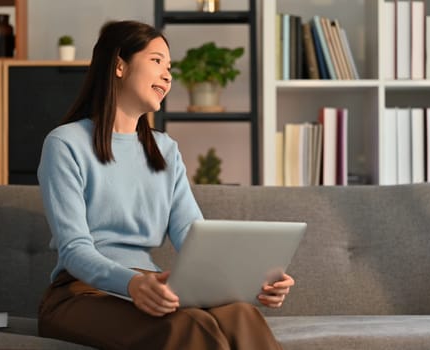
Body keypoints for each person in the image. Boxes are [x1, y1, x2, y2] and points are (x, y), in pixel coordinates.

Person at [37, 20, 294, 350]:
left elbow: (193, 236)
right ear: (119, 65)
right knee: (189, 325)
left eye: (169, 67)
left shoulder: (165, 150)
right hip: (79, 294)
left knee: (241, 313)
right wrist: (132, 284)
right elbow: (74, 249)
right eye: (157, 61)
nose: (168, 75)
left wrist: (255, 280)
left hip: (153, 287)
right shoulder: (65, 144)